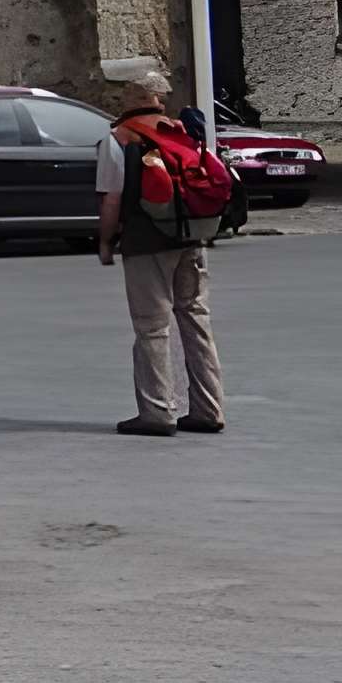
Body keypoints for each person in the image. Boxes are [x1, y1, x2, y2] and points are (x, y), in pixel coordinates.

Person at [97, 75, 225, 438]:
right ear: (159, 100)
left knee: (152, 327)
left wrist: (106, 242)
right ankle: (209, 408)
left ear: (134, 97)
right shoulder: (181, 131)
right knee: (196, 320)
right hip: (191, 237)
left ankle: (157, 411)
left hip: (147, 242)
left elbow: (111, 199)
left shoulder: (119, 137)